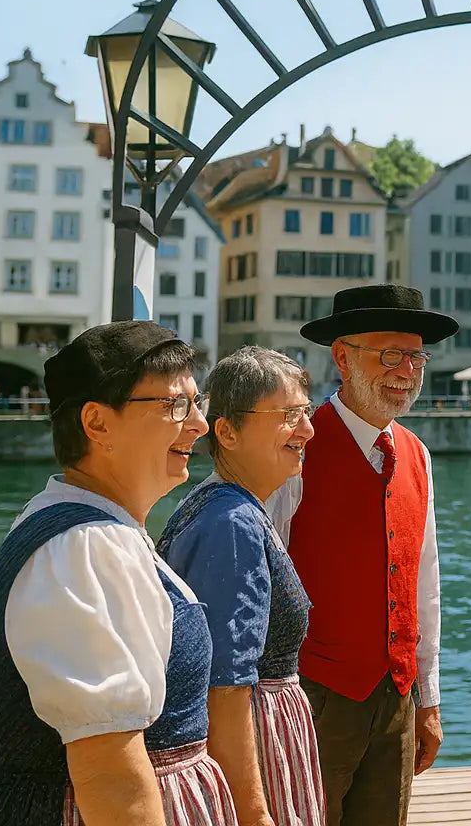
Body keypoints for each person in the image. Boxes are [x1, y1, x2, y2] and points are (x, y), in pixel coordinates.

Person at [0, 320, 235, 825]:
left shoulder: (83, 529)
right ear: (97, 424)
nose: (198, 424)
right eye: (176, 405)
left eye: (199, 403)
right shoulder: (84, 547)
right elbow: (111, 776)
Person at [267, 284, 456, 826]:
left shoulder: (416, 454)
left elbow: (425, 584)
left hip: (396, 695)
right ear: (343, 358)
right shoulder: (295, 448)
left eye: (416, 356)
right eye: (390, 355)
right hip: (312, 696)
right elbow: (263, 576)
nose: (406, 370)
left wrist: (428, 697)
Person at [158, 347, 323, 826]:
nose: (308, 430)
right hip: (259, 755)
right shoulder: (233, 524)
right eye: (290, 416)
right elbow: (225, 688)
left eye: (306, 413)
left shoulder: (219, 507)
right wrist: (254, 813)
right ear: (227, 431)